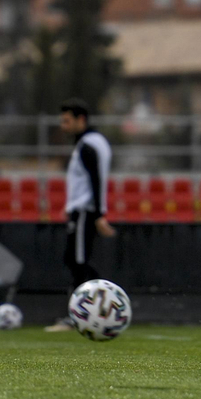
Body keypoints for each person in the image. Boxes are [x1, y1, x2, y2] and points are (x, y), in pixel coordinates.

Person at [46, 98, 116, 331]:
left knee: (78, 261)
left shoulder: (87, 145)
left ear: (81, 119)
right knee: (75, 259)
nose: (63, 126)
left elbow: (96, 181)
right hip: (84, 210)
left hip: (85, 211)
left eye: (67, 121)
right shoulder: (94, 142)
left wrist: (97, 214)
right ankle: (92, 308)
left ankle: (83, 313)